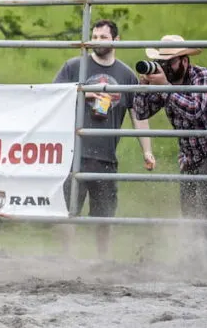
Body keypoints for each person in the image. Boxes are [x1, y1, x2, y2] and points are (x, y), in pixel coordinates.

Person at [53, 19, 155, 257]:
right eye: (94, 36)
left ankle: (102, 260)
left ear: (115, 40)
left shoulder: (126, 74)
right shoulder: (73, 67)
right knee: (68, 213)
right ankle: (66, 259)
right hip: (73, 155)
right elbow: (53, 100)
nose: (97, 41)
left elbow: (138, 115)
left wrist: (147, 150)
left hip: (106, 157)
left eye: (103, 37)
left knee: (104, 216)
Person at [132, 34, 207, 263]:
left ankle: (206, 258)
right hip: (192, 153)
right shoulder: (163, 82)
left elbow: (193, 110)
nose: (164, 67)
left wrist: (165, 87)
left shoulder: (204, 77)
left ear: (185, 61)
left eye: (170, 62)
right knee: (188, 204)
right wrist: (144, 87)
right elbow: (140, 113)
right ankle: (192, 254)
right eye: (161, 62)